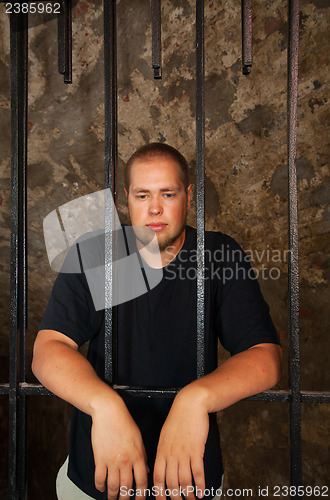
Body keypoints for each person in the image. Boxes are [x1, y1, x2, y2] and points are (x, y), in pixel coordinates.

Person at [32, 143, 282, 500]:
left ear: (188, 195)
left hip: (187, 480)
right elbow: (48, 350)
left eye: (168, 193)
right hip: (97, 478)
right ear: (126, 198)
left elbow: (266, 358)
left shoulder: (218, 254)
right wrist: (105, 405)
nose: (154, 208)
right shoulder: (95, 253)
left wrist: (194, 400)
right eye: (142, 194)